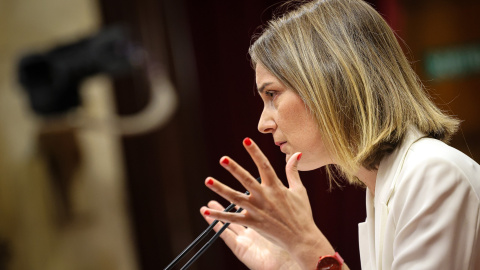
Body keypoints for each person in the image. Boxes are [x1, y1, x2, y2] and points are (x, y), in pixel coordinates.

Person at [199, 0, 480, 269]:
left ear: (330, 84)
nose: (263, 123)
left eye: (272, 94)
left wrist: (305, 242)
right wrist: (292, 264)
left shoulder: (432, 174)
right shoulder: (384, 185)